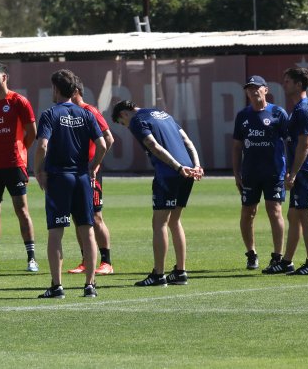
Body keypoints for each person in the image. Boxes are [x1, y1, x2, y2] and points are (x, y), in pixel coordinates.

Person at [112, 100, 204, 287]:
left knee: (159, 222)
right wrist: (196, 165)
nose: (126, 126)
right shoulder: (163, 114)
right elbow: (187, 141)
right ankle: (180, 271)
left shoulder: (137, 121)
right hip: (188, 172)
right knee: (174, 221)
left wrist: (178, 168)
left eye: (122, 123)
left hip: (170, 173)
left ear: (123, 114)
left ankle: (158, 275)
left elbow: (153, 146)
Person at [33, 70, 107, 299]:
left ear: (55, 89)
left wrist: (37, 170)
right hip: (82, 178)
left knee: (56, 232)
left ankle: (57, 286)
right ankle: (90, 286)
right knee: (87, 231)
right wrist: (93, 166)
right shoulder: (85, 113)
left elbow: (43, 146)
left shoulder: (49, 114)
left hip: (59, 178)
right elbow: (103, 144)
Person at [0, 63, 38, 271]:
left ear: (5, 77)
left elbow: (32, 132)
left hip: (14, 165)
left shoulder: (19, 102)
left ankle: (31, 258)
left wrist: (20, 150)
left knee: (21, 209)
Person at [264, 67, 308, 276]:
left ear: (299, 84)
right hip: (302, 169)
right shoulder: (299, 108)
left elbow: (304, 145)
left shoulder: (304, 109)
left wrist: (294, 173)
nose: (284, 84)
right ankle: (287, 261)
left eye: (287, 81)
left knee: (306, 214)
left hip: (307, 169)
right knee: (293, 214)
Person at [232, 75, 288, 271]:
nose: (253, 91)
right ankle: (251, 254)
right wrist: (236, 172)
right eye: (249, 88)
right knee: (248, 212)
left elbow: (289, 142)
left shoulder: (278, 113)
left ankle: (278, 256)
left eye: (257, 87)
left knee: (275, 210)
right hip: (250, 173)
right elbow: (237, 146)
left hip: (274, 172)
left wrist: (290, 171)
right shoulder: (243, 116)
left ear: (266, 90)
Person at [67, 77, 115, 276]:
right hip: (75, 170)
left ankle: (106, 262)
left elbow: (108, 138)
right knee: (79, 218)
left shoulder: (90, 111)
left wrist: (95, 164)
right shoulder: (68, 113)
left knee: (95, 216)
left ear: (76, 91)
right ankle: (87, 260)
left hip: (90, 171)